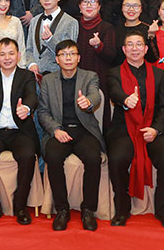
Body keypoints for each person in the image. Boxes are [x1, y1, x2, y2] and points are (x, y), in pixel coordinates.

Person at [106, 32, 164, 228]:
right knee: (117, 159)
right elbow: (114, 91)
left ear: (146, 49)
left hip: (151, 128)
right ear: (124, 49)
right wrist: (125, 100)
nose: (135, 48)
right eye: (130, 44)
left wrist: (156, 129)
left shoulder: (159, 74)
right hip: (123, 129)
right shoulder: (113, 73)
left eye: (139, 44)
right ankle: (122, 210)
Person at [37, 40, 104, 231]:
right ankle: (62, 210)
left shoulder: (90, 76)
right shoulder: (48, 81)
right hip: (60, 131)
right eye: (63, 55)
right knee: (53, 156)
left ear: (79, 58)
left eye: (72, 54)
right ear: (57, 59)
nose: (68, 58)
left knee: (93, 158)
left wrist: (88, 102)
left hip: (84, 130)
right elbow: (43, 112)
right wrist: (55, 130)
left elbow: (95, 96)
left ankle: (88, 210)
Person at [0, 38, 39, 227]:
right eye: (2, 54)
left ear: (18, 56)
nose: (7, 58)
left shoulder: (26, 76)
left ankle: (20, 206)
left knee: (27, 156)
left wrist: (26, 108)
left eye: (11, 53)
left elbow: (32, 96)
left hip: (20, 132)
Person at [24, 0, 79, 77]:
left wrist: (50, 40)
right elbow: (29, 49)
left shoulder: (71, 22)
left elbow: (69, 53)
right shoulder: (34, 21)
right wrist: (31, 64)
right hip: (35, 76)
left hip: (58, 76)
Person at [113, 0, 160, 70]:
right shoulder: (115, 30)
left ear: (141, 9)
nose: (131, 9)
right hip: (120, 73)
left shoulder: (148, 29)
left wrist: (151, 36)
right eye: (127, 5)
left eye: (135, 6)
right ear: (122, 8)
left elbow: (154, 58)